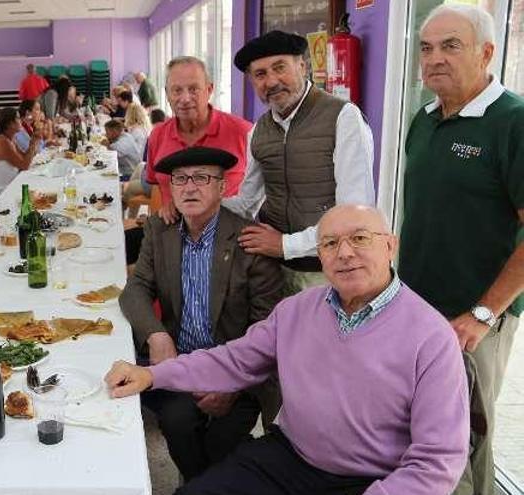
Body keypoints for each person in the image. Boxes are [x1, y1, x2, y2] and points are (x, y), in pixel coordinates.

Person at [108, 204, 470, 495]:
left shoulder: (431, 336)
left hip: (372, 480)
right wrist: (153, 374)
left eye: (360, 238)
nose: (344, 253)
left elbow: (437, 463)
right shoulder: (298, 309)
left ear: (390, 245)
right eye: (329, 244)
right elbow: (234, 360)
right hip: (288, 457)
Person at [398, 5, 524, 494]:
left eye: (451, 46)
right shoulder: (423, 120)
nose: (434, 59)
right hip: (417, 308)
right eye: (426, 48)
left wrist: (483, 314)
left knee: (469, 440)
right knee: (424, 436)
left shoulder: (512, 121)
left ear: (486, 52)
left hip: (474, 321)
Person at [120, 147, 284, 481]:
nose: (189, 187)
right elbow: (136, 288)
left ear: (223, 188)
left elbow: (267, 329)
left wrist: (234, 383)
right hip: (178, 363)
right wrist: (157, 334)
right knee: (177, 422)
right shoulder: (159, 230)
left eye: (202, 178)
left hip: (235, 368)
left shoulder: (249, 242)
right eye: (180, 179)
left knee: (222, 439)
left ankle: (202, 483)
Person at [223, 30, 375, 295]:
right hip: (273, 270)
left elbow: (354, 215)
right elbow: (248, 203)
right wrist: (200, 205)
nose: (271, 81)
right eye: (260, 74)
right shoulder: (258, 131)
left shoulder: (343, 117)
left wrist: (284, 244)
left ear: (303, 66)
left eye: (279, 67)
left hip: (327, 273)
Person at [145, 56, 251, 225]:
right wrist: (160, 215)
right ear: (167, 94)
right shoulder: (157, 135)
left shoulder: (244, 132)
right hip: (173, 232)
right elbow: (157, 183)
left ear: (209, 90)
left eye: (193, 89)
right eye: (177, 90)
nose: (185, 99)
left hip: (228, 234)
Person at [0, 108, 43, 210]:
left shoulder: (10, 139)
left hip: (6, 189)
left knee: (40, 186)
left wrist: (35, 141)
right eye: (17, 118)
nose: (21, 121)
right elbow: (24, 165)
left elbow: (25, 158)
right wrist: (33, 142)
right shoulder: (1, 141)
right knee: (38, 199)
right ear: (10, 124)